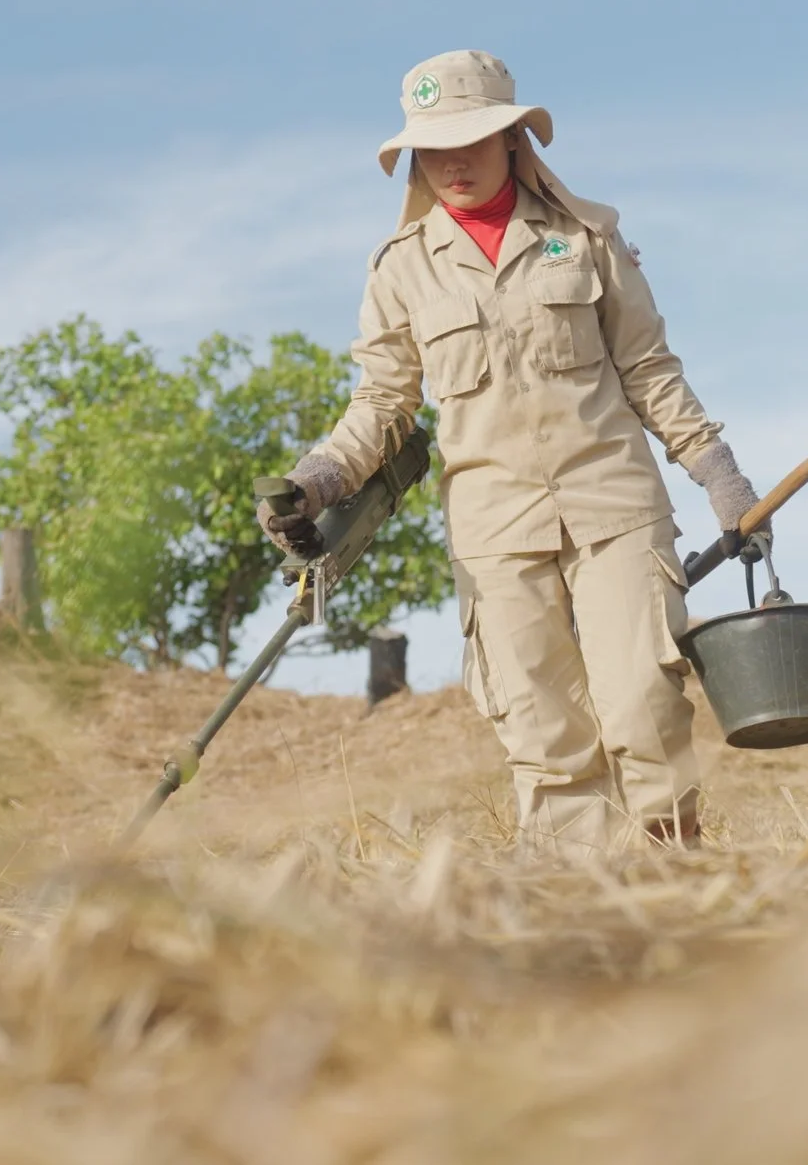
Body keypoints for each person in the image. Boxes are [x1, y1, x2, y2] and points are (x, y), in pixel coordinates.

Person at [260, 49, 766, 854]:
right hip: (495, 532)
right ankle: (583, 920)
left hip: (614, 507)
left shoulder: (587, 235)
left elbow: (647, 369)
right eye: (434, 148)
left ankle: (678, 887)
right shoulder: (400, 270)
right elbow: (382, 404)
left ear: (513, 139)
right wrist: (316, 483)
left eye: (471, 139)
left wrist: (720, 475)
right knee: (544, 732)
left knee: (643, 702)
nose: (452, 162)